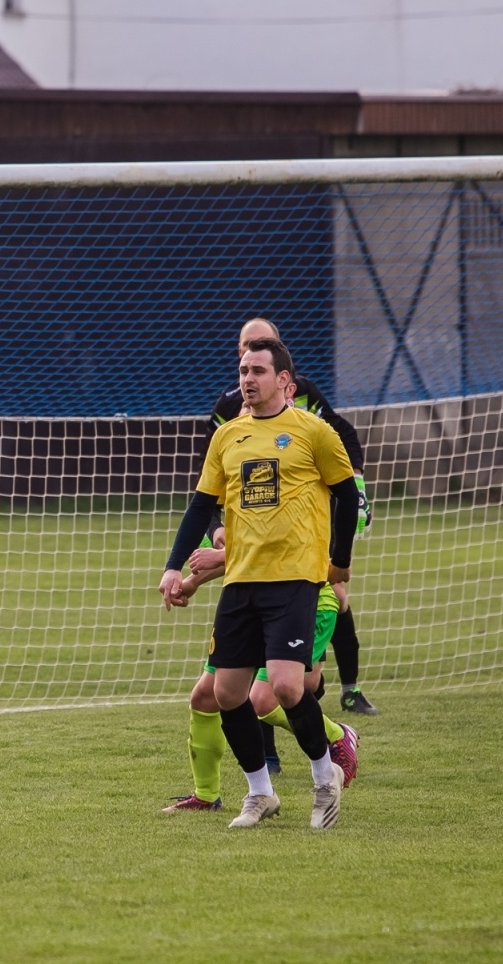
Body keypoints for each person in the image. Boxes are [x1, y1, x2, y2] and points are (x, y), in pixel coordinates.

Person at [161, 338, 359, 829]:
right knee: (227, 694)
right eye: (243, 370)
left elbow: (347, 496)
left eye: (258, 371)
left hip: (295, 580)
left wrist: (339, 559)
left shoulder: (314, 432)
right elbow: (201, 506)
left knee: (288, 688)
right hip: (241, 581)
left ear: (284, 381)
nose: (247, 379)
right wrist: (173, 567)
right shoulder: (227, 437)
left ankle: (323, 778)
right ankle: (260, 793)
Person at [206, 318, 377, 718]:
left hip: (304, 520)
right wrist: (215, 531)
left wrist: (357, 487)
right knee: (247, 669)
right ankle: (271, 742)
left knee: (334, 596)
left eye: (262, 346)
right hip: (248, 524)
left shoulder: (304, 397)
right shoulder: (229, 409)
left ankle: (349, 689)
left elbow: (345, 435)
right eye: (246, 347)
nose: (252, 355)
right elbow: (209, 480)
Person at [159, 541, 358, 814]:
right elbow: (245, 559)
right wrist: (193, 580)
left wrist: (214, 559)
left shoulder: (270, 501)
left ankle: (337, 736)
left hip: (298, 603)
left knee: (265, 699)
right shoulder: (221, 506)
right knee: (205, 696)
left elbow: (268, 548)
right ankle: (206, 797)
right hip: (249, 605)